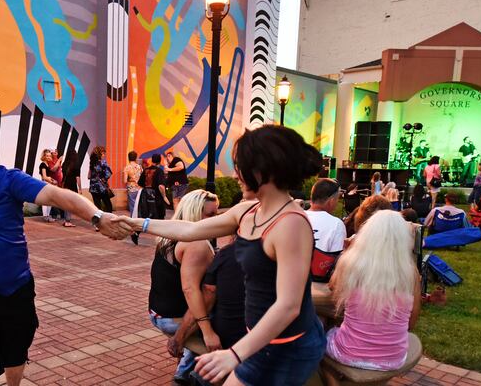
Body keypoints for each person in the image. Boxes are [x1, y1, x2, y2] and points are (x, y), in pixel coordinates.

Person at [119, 125, 326, 385]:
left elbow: (288, 306)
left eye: (240, 165)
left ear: (263, 170)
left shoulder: (291, 224)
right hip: (258, 341)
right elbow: (191, 228)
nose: (235, 173)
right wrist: (138, 224)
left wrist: (235, 355)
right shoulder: (249, 210)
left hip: (288, 349)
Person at [0, 127, 130, 385]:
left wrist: (97, 217)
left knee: (16, 350)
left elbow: (56, 195)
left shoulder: (8, 180)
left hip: (15, 290)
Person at [323, 211, 420, 378]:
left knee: (322, 331)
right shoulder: (410, 273)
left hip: (347, 353)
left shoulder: (351, 263)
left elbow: (333, 287)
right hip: (392, 358)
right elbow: (411, 322)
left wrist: (351, 249)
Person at [147, 190, 220, 384]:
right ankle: (185, 374)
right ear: (194, 213)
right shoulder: (196, 243)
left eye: (217, 214)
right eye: (210, 215)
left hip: (156, 312)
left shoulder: (169, 234)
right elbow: (191, 290)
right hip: (171, 317)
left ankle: (184, 363)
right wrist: (207, 331)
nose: (216, 220)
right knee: (224, 317)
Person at [168, 232, 246, 372]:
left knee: (204, 316)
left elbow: (205, 294)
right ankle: (188, 371)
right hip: (260, 338)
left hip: (229, 336)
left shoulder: (226, 254)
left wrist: (179, 337)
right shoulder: (279, 255)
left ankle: (189, 372)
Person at [306, 179, 346, 253]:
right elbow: (336, 259)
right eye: (337, 199)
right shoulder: (336, 224)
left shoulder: (297, 216)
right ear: (331, 201)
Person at [138, 153, 169, 220]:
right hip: (157, 197)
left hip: (146, 197)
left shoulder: (145, 170)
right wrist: (164, 196)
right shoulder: (159, 171)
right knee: (158, 217)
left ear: (152, 160)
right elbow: (161, 186)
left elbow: (140, 183)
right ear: (159, 161)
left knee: (147, 216)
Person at [88, 146, 113, 213]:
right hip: (101, 187)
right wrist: (104, 180)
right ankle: (108, 220)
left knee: (97, 206)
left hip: (93, 187)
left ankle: (98, 222)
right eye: (103, 153)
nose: (104, 155)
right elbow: (109, 173)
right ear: (100, 154)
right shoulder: (103, 162)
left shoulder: (92, 163)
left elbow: (89, 176)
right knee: (108, 205)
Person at [60, 149, 81, 228]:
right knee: (71, 203)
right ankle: (67, 221)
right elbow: (78, 178)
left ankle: (66, 220)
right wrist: (80, 188)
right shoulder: (76, 165)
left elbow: (63, 175)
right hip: (72, 185)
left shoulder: (64, 164)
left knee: (66, 203)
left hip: (65, 184)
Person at [39, 149, 57, 222]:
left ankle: (48, 216)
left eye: (50, 156)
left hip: (49, 184)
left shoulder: (48, 165)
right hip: (45, 184)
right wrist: (53, 181)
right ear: (44, 156)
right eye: (47, 156)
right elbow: (44, 176)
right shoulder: (43, 164)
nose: (49, 157)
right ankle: (45, 216)